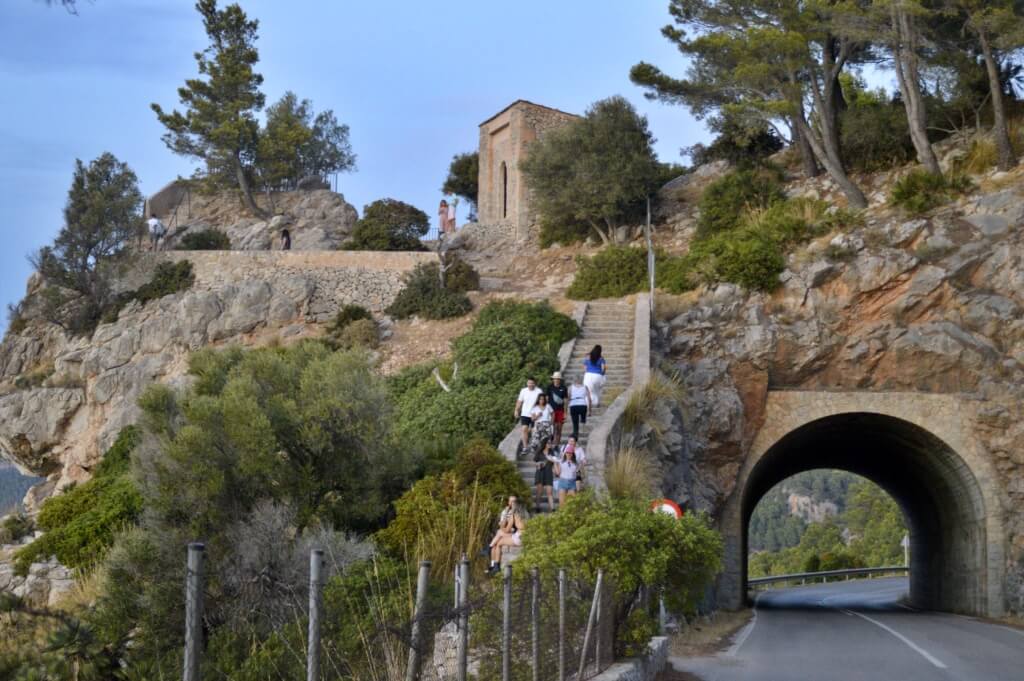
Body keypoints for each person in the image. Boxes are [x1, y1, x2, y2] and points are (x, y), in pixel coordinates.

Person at [487, 495, 527, 574]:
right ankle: (492, 557)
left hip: (518, 537)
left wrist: (501, 528)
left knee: (499, 543)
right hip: (523, 535)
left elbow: (507, 529)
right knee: (499, 535)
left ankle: (496, 566)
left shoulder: (514, 515)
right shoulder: (525, 514)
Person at [514, 377, 544, 450]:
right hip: (525, 413)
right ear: (527, 383)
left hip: (535, 414)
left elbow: (542, 403)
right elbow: (519, 401)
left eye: (532, 383)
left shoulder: (539, 391)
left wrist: (540, 413)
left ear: (535, 383)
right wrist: (516, 410)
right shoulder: (523, 391)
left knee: (535, 430)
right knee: (524, 429)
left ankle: (534, 445)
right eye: (529, 383)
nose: (530, 384)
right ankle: (525, 447)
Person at [546, 371, 568, 446]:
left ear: (560, 379)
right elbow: (547, 399)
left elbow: (565, 401)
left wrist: (565, 412)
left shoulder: (563, 388)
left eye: (558, 379)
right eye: (555, 379)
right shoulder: (549, 387)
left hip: (560, 410)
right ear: (553, 379)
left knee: (559, 428)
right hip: (551, 411)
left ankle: (557, 445)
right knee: (552, 428)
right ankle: (550, 443)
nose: (556, 380)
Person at [568, 375, 592, 441]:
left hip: (573, 405)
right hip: (582, 405)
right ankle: (583, 423)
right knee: (583, 417)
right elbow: (589, 399)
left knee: (575, 423)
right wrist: (589, 411)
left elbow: (568, 398)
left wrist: (567, 407)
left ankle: (576, 435)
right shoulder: (585, 387)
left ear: (574, 380)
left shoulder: (570, 387)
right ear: (582, 380)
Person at [533, 440, 555, 512]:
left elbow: (555, 462)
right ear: (544, 444)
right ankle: (537, 507)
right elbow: (534, 462)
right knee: (539, 491)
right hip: (540, 472)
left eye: (551, 443)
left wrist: (552, 460)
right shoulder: (539, 452)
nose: (550, 444)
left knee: (550, 491)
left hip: (549, 472)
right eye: (548, 443)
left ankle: (552, 508)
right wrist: (538, 464)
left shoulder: (552, 452)